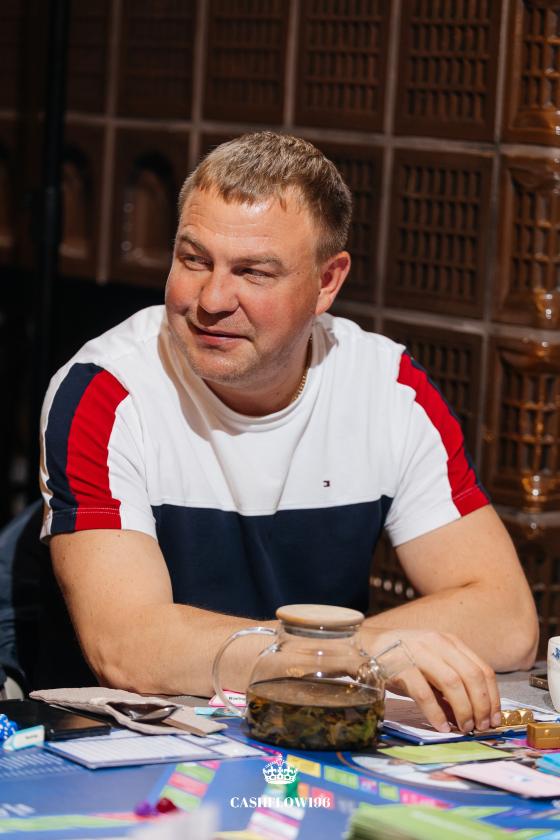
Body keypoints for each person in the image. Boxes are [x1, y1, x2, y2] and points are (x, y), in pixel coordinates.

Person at [39, 132, 538, 735]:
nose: (212, 300)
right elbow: (126, 647)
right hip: (133, 742)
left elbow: (508, 618)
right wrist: (351, 655)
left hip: (310, 732)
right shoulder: (105, 391)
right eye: (194, 260)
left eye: (254, 272)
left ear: (327, 282)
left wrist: (333, 658)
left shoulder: (386, 385)